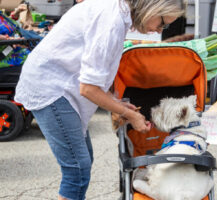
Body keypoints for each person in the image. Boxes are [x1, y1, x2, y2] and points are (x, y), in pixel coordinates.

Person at [14, 0, 185, 199]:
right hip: (51, 87)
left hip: (60, 83)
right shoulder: (111, 20)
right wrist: (128, 113)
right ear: (152, 9)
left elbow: (94, 73)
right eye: (162, 23)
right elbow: (88, 88)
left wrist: (116, 103)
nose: (158, 31)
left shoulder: (118, 13)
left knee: (82, 161)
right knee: (77, 169)